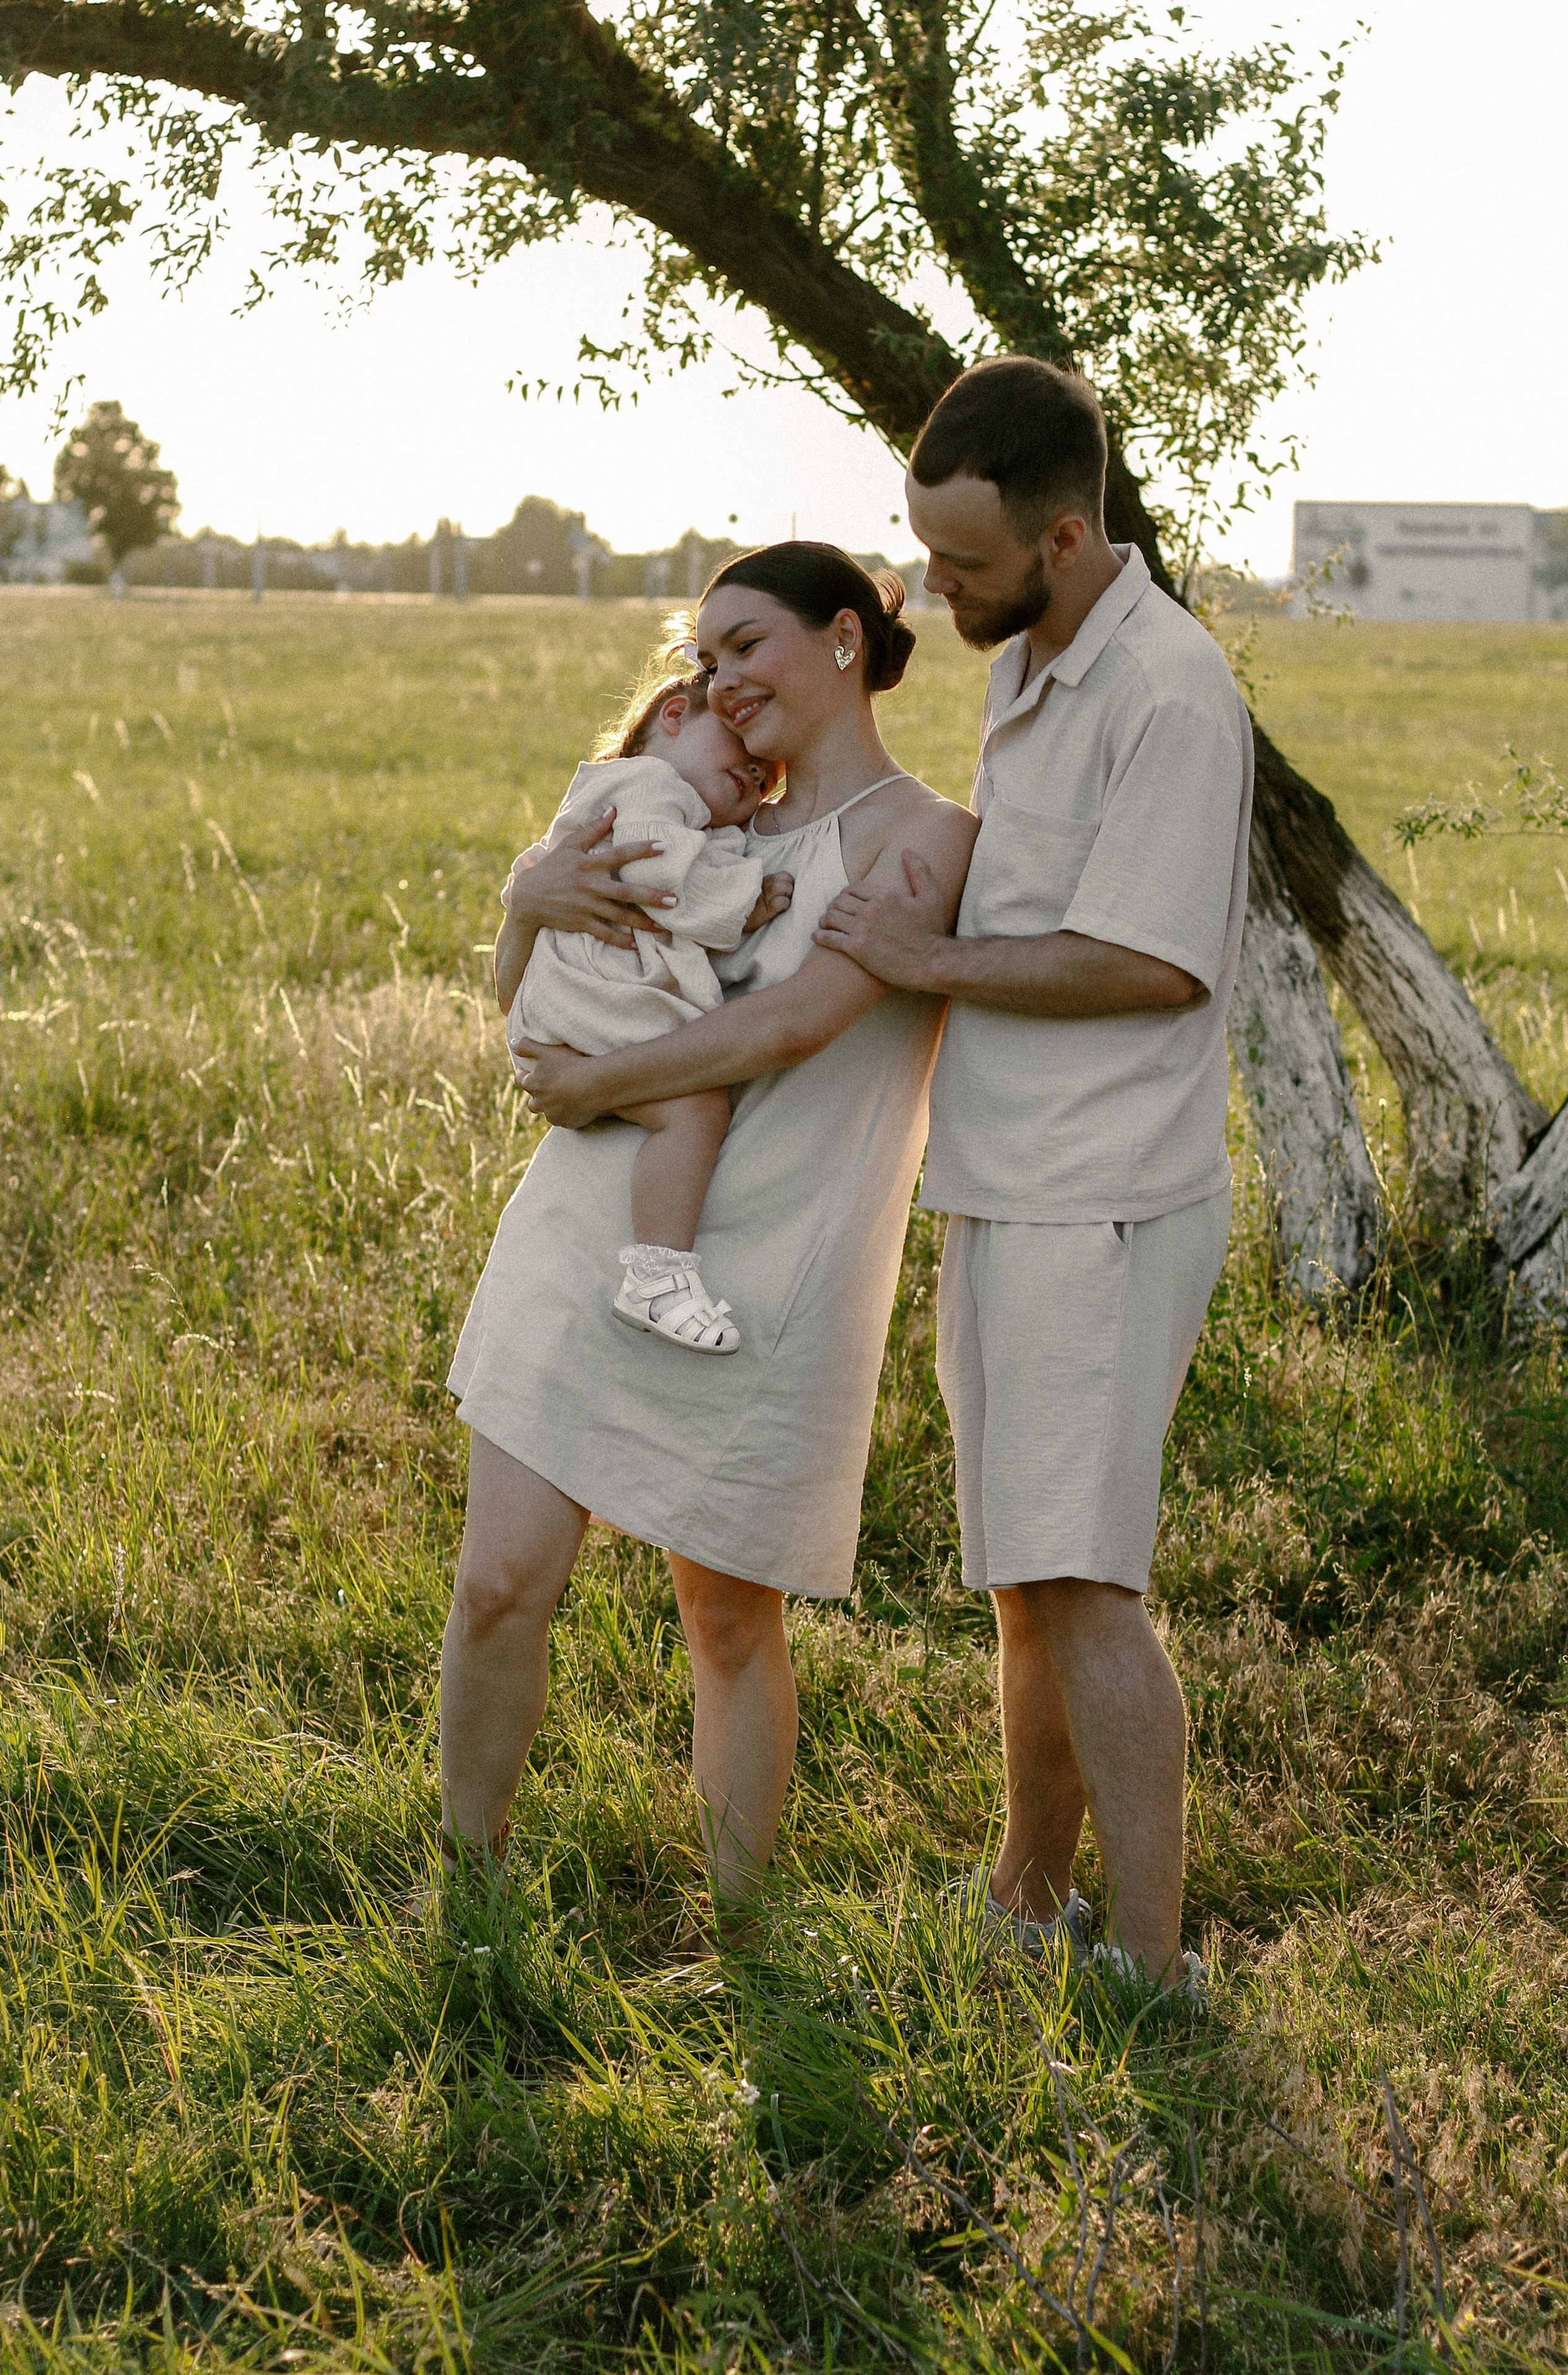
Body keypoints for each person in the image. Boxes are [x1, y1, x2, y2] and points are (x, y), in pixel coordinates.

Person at [442, 542, 978, 1909]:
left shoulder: (924, 838)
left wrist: (596, 1085)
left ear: (844, 641)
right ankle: (469, 1892)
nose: (718, 678)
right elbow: (531, 995)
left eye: (747, 646)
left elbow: (792, 1023)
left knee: (728, 1617)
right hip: (592, 1222)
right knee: (500, 1579)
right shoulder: (701, 813)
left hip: (767, 1259)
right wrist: (523, 893)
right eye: (708, 655)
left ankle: (739, 1939)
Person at [815, 357, 1255, 2003]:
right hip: (1002, 1183)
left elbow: (1147, 966)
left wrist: (933, 956)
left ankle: (1153, 1966)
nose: (937, 590)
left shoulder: (1171, 692)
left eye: (966, 565)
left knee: (1087, 1582)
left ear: (1066, 536)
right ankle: (1028, 1892)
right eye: (926, 553)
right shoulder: (1030, 662)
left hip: (1106, 1201)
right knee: (1023, 1575)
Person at [504, 650, 790, 1355]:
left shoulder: (665, 802)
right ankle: (658, 1277)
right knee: (695, 1108)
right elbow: (665, 884)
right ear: (672, 717)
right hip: (586, 996)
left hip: (580, 996)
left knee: (689, 1101)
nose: (757, 772)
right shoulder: (648, 789)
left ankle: (658, 1274)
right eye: (743, 751)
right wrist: (745, 902)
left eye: (766, 780)